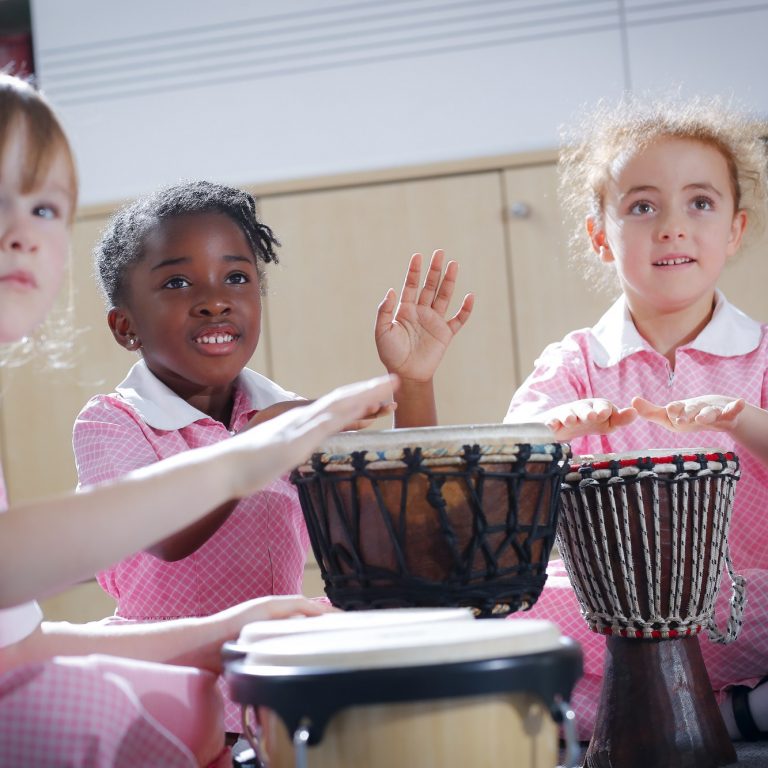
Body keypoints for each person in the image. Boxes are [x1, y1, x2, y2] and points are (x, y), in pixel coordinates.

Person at [0, 73, 401, 766]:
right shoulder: (116, 421)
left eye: (43, 208)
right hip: (176, 671)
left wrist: (412, 383)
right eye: (179, 282)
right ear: (124, 326)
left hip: (249, 671)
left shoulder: (281, 412)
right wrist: (252, 451)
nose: (18, 232)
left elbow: (390, 533)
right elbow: (147, 539)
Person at [504, 95, 768, 742]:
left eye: (700, 203)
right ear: (600, 236)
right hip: (613, 620)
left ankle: (722, 712)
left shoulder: (761, 355)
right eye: (642, 206)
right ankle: (709, 718)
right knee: (511, 615)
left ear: (734, 230)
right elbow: (506, 462)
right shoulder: (577, 361)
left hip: (748, 611)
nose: (672, 227)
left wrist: (742, 418)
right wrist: (558, 425)